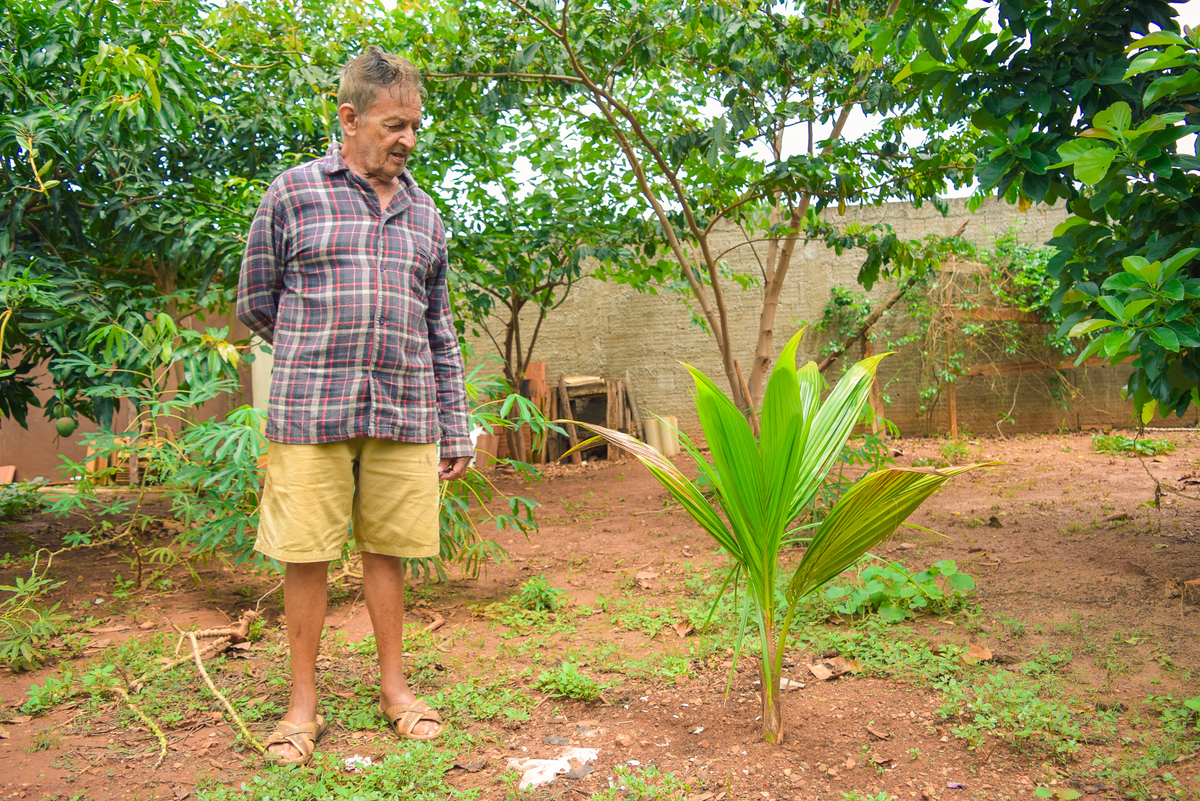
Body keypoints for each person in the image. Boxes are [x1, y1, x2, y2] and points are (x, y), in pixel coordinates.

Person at [236, 46, 472, 766]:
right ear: (350, 118)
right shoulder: (293, 193)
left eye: (415, 126)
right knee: (304, 552)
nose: (407, 139)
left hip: (404, 407)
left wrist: (454, 420)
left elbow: (438, 325)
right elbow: (257, 301)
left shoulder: (426, 214)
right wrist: (319, 349)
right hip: (312, 409)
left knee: (389, 549)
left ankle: (395, 690)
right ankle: (301, 703)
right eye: (394, 123)